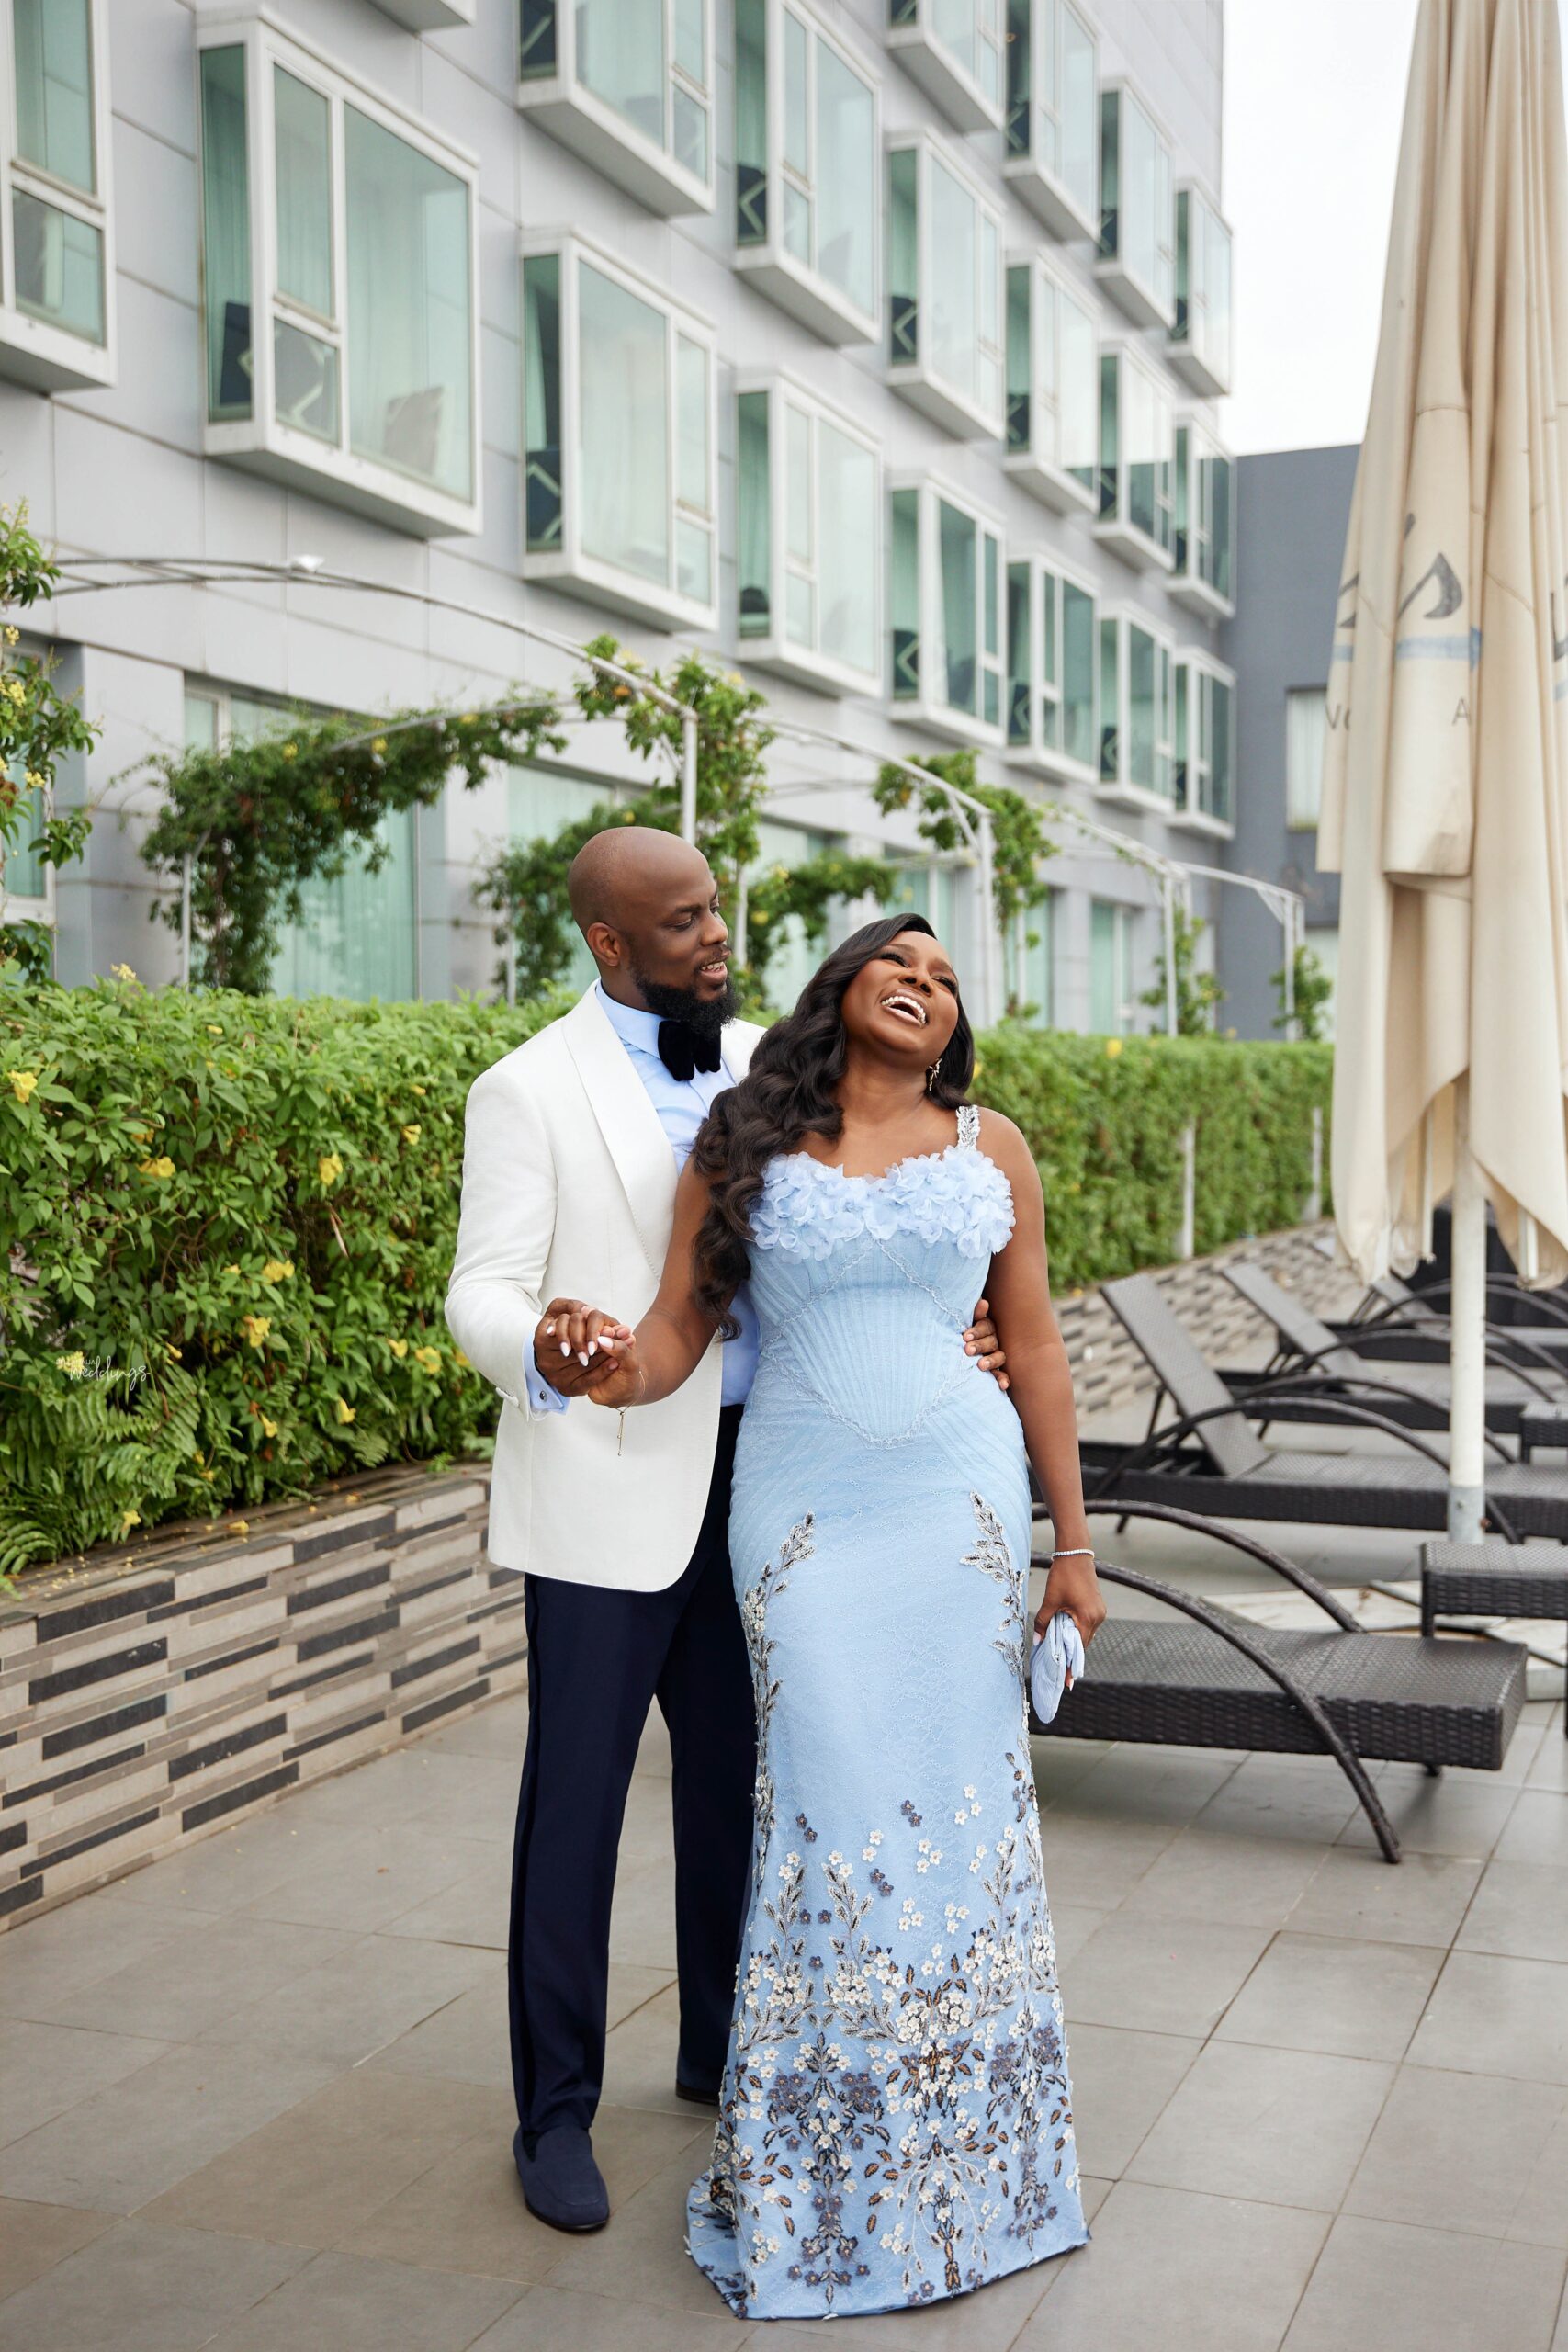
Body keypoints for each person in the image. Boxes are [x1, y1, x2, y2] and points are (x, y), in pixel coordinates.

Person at [539, 910, 1105, 2323]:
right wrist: (605, 1370)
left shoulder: (993, 1147)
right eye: (899, 963)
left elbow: (1035, 1344)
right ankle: (825, 2179)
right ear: (842, 985)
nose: (925, 984)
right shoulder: (741, 1137)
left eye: (947, 978)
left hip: (959, 1507)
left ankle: (972, 2174)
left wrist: (1075, 1544)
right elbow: (678, 1330)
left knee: (960, 1829)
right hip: (803, 1516)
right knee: (827, 1817)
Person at [445, 832, 1007, 2239]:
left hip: (784, 1484)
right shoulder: (526, 1090)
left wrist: (952, 1333)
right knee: (575, 1811)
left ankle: (720, 2051)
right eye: (683, 919)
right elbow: (481, 1288)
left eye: (715, 909)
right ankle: (554, 2116)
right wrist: (543, 1348)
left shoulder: (775, 1064)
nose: (716, 934)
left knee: (747, 1790)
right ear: (609, 943)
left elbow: (889, 1207)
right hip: (607, 1485)